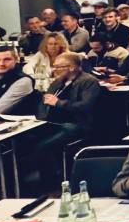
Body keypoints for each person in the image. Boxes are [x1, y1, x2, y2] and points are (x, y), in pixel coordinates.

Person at [34, 52, 100, 186]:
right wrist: (40, 119)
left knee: (42, 147)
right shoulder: (58, 82)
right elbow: (44, 102)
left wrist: (58, 102)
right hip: (52, 122)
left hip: (76, 124)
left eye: (59, 67)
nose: (55, 70)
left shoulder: (88, 81)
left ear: (71, 67)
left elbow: (85, 106)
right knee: (26, 139)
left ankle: (51, 184)